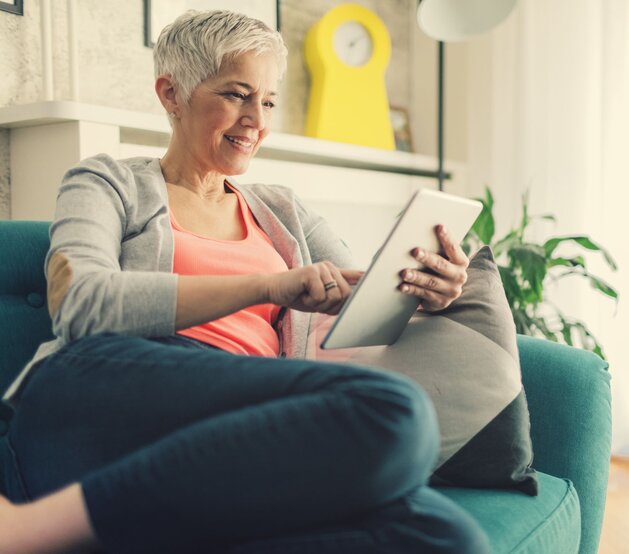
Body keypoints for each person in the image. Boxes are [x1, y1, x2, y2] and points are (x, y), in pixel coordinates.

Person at [0, 10, 490, 554]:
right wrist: (268, 286)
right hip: (100, 390)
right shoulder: (107, 181)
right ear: (171, 93)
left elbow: (357, 296)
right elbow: (82, 305)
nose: (257, 119)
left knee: (446, 537)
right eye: (237, 94)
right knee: (396, 410)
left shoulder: (285, 210)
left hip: (231, 426)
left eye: (269, 101)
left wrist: (427, 292)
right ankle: (27, 529)